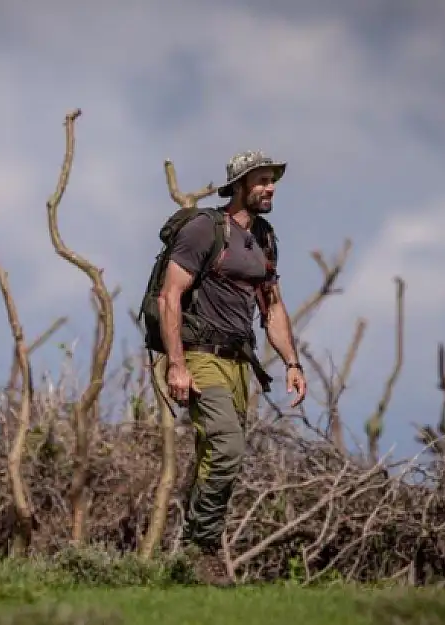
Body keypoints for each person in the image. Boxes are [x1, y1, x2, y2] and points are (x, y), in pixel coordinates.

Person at [153, 149, 308, 586]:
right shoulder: (206, 229)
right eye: (261, 180)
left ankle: (184, 564)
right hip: (200, 353)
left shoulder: (266, 237)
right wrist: (177, 366)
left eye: (273, 179)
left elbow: (272, 307)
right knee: (227, 447)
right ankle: (202, 551)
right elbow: (170, 298)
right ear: (239, 185)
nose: (270, 187)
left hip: (240, 363)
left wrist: (292, 362)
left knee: (216, 456)